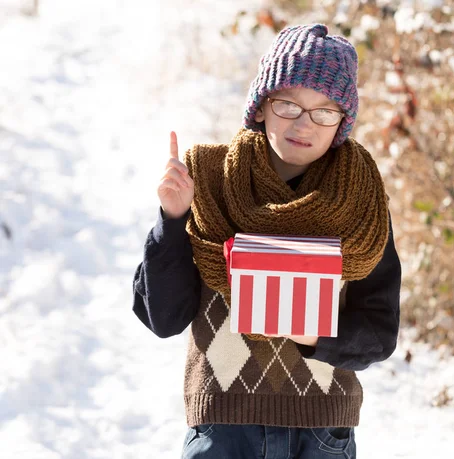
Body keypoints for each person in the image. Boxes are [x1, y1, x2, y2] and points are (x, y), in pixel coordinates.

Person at [132, 23, 401, 459]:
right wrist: (173, 218)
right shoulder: (209, 180)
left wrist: (312, 335)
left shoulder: (361, 200)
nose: (305, 124)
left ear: (342, 121)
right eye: (289, 105)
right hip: (223, 428)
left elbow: (379, 331)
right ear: (261, 106)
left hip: (322, 433)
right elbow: (163, 317)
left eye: (325, 111)